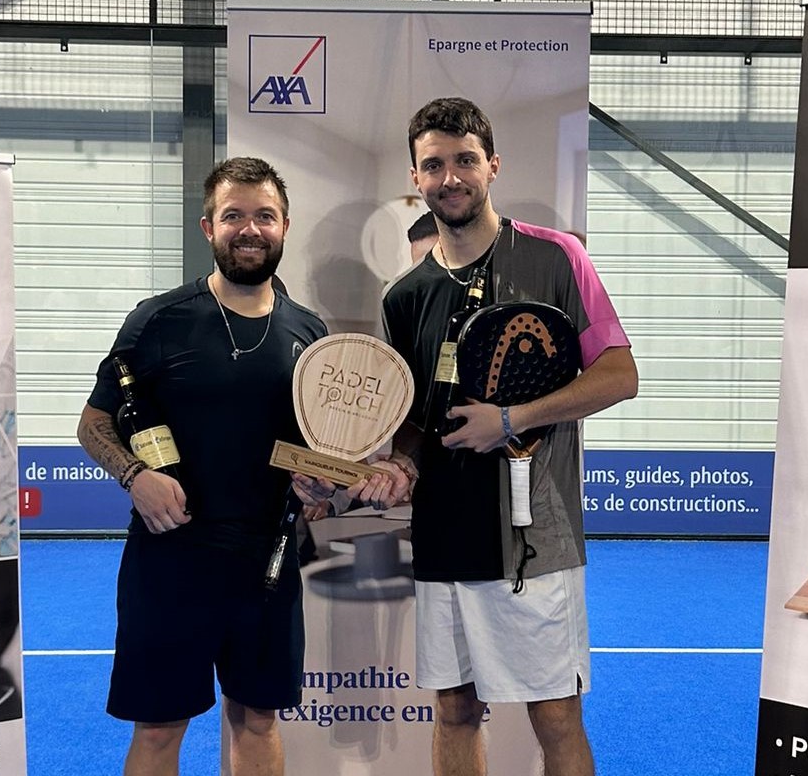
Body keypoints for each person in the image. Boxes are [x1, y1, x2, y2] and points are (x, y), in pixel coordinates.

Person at [301, 97, 637, 776]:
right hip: (445, 535)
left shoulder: (557, 257)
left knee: (555, 715)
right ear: (415, 178)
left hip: (534, 538)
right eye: (434, 165)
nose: (450, 177)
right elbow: (417, 425)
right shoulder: (403, 297)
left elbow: (620, 375)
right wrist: (395, 466)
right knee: (454, 708)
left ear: (492, 165)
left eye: (464, 161)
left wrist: (511, 420)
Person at [76, 157, 398, 776]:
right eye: (234, 216)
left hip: (266, 563)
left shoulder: (309, 333)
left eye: (264, 216)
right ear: (208, 228)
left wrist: (323, 491)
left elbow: (317, 462)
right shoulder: (157, 320)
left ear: (284, 226)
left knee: (258, 719)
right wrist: (134, 477)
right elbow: (93, 423)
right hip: (169, 559)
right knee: (160, 726)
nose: (249, 229)